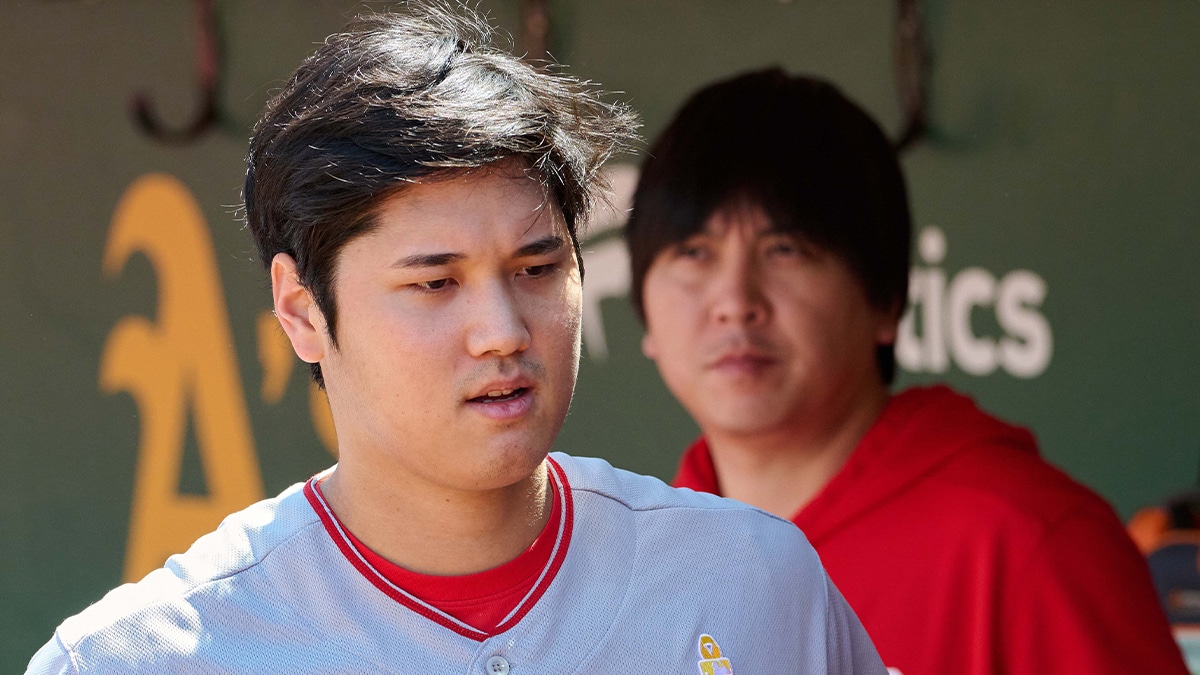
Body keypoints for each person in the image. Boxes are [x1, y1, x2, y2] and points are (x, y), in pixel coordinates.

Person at [26, 7, 886, 673]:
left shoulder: (749, 580)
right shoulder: (140, 657)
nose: (503, 332)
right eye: (434, 284)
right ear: (300, 309)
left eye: (538, 269)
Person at [625, 68, 1188, 675]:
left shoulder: (1029, 541)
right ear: (645, 312)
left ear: (887, 301)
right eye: (693, 253)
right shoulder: (642, 554)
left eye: (785, 250)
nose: (735, 300)